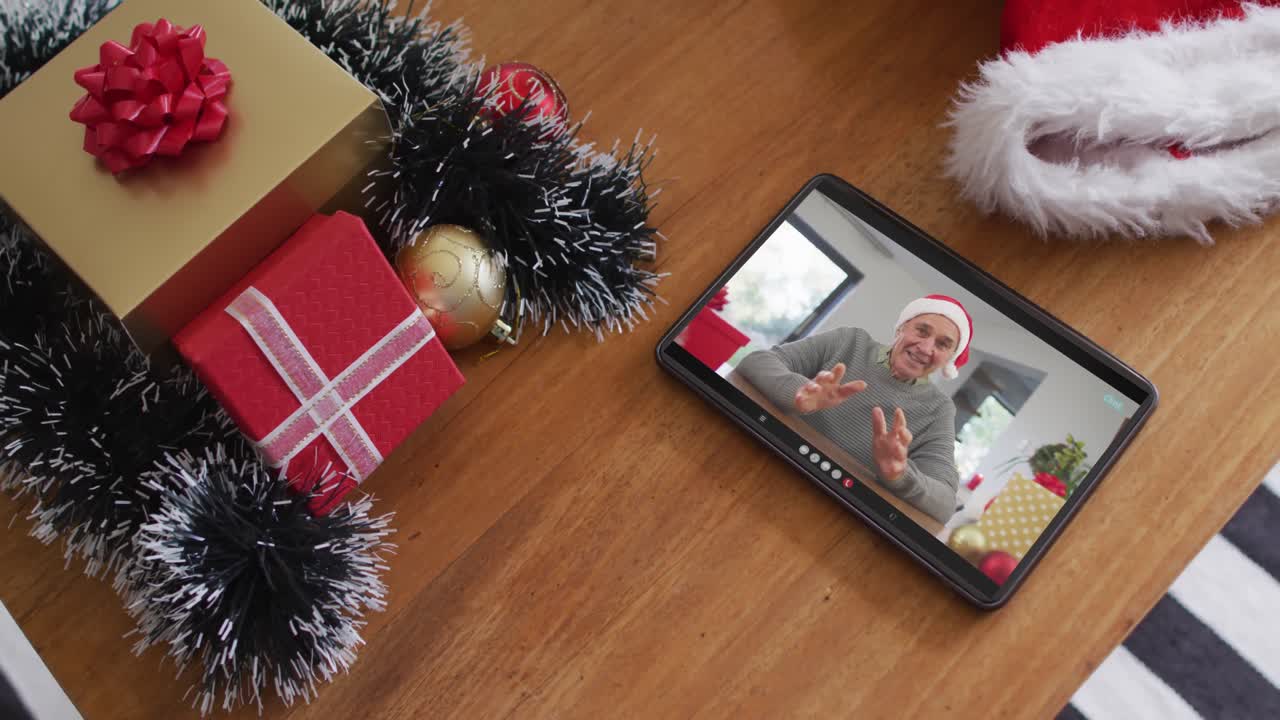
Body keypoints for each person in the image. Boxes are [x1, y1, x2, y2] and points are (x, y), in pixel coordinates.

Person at [735, 295, 973, 523]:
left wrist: (899, 474)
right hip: (761, 461)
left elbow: (943, 504)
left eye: (942, 344)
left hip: (831, 510)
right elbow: (756, 361)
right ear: (902, 327)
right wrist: (797, 393)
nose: (926, 347)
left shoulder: (939, 409)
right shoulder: (850, 342)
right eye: (922, 330)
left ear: (949, 358)